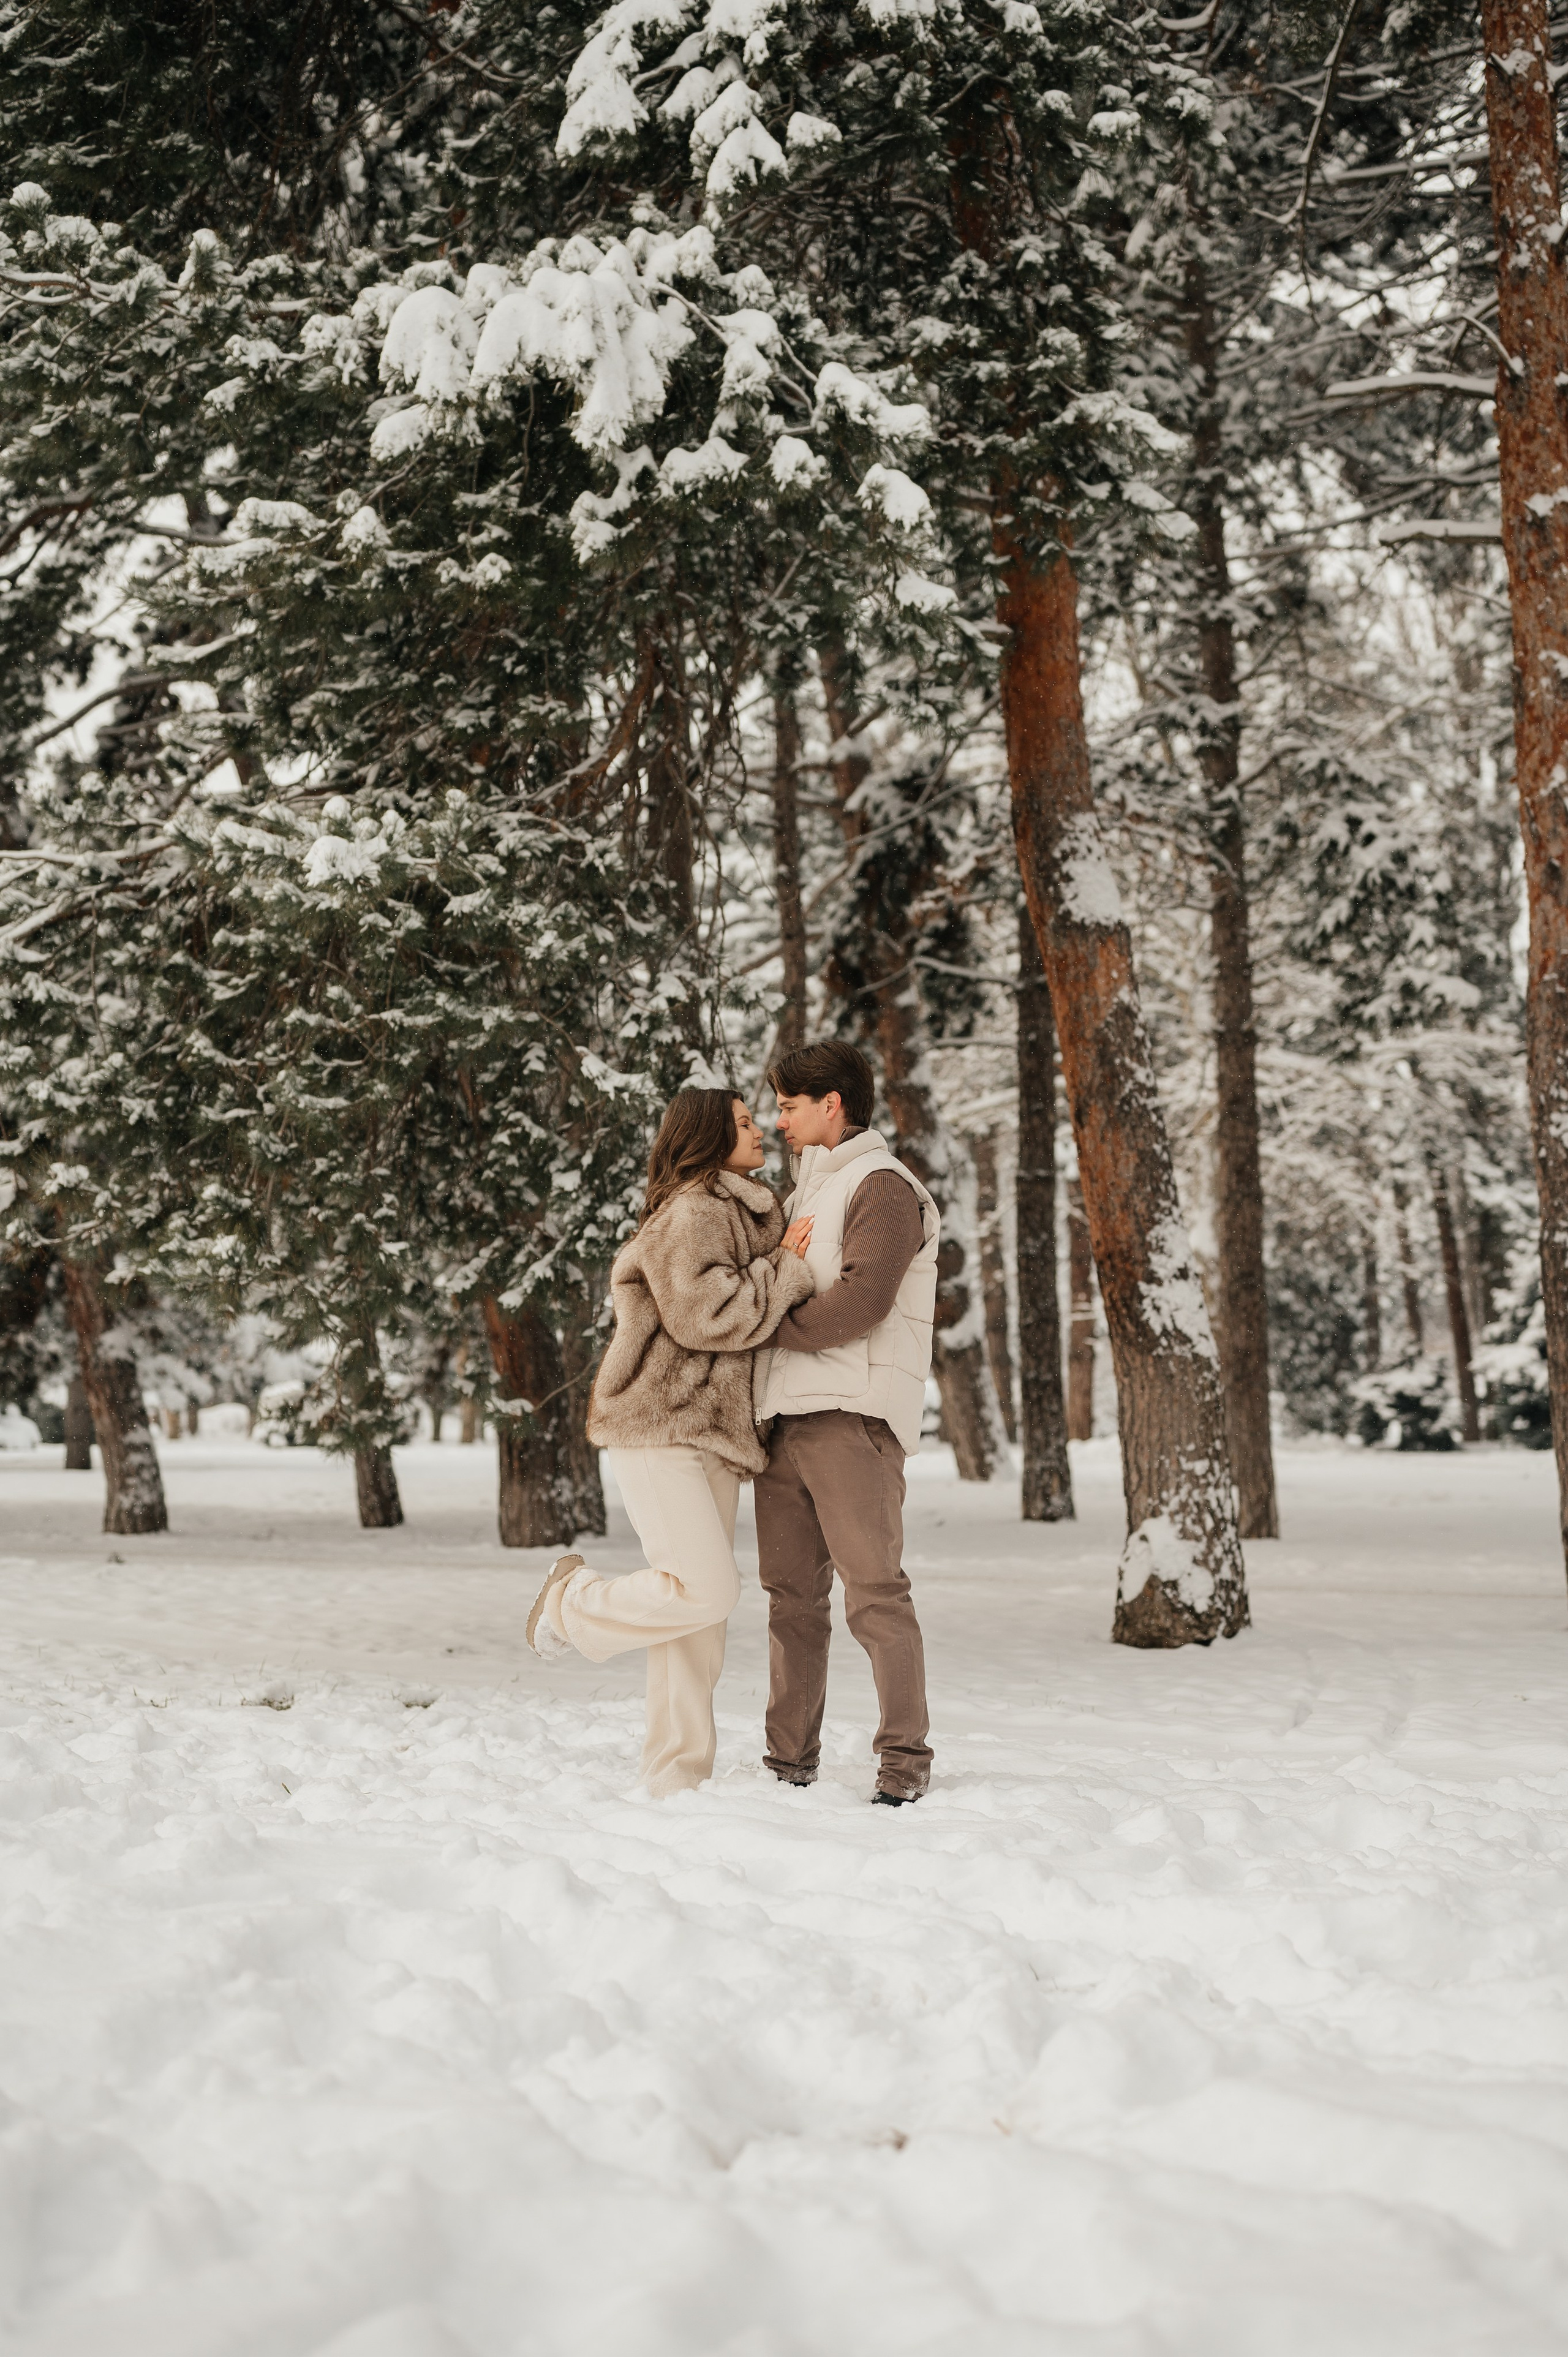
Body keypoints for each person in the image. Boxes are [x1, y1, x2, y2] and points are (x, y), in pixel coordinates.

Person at [526, 1088, 814, 1797]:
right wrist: (784, 1268)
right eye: (745, 1123)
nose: (760, 1132)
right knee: (707, 1590)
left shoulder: (734, 1210)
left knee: (696, 1622)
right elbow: (703, 1314)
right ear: (712, 1136)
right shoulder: (693, 1210)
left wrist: (772, 1258)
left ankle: (674, 1780)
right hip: (659, 1425)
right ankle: (571, 1603)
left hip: (710, 1432)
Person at [752, 1040, 939, 1805]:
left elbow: (862, 1302)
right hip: (785, 1423)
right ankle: (787, 1763)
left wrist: (765, 1325)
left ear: (832, 1103)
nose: (778, 1119)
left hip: (851, 1420)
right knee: (790, 1598)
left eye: (789, 1105)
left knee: (874, 1594)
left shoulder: (883, 1185)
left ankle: (903, 1764)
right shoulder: (804, 1196)